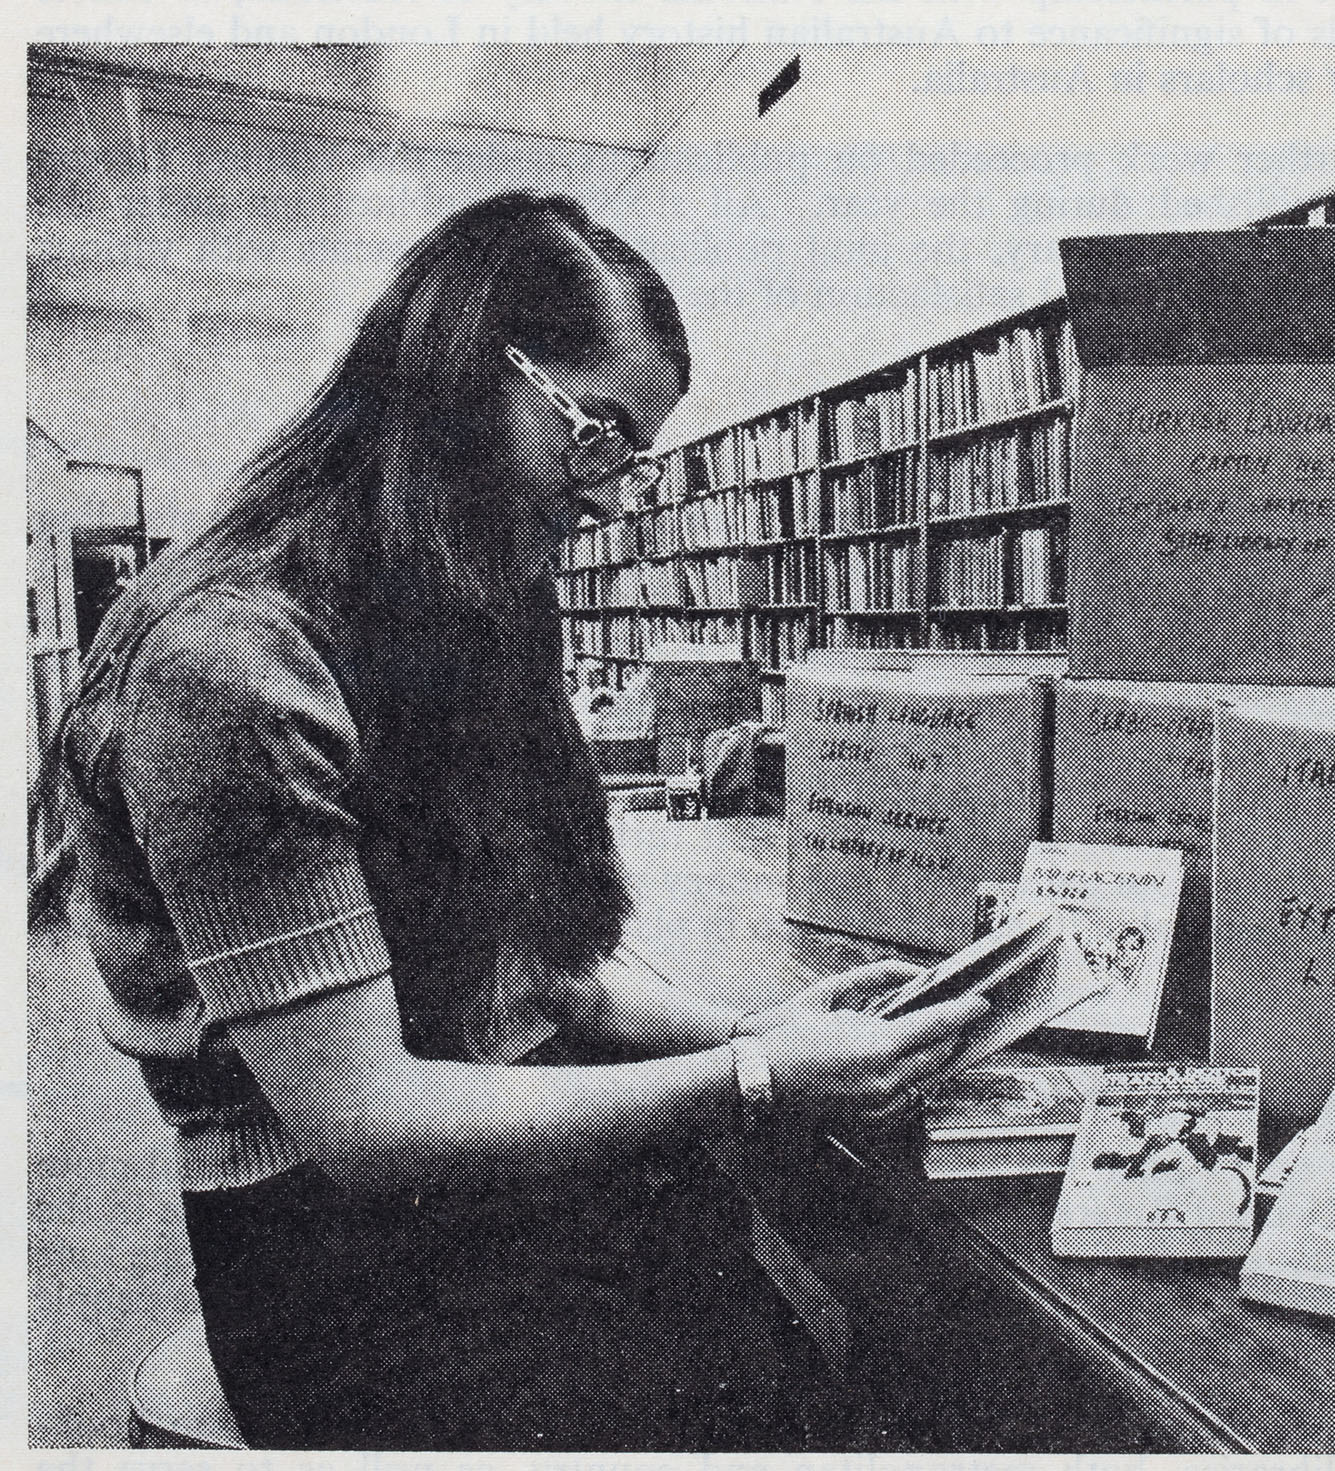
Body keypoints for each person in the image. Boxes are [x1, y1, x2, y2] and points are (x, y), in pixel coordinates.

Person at [44, 192, 988, 1451]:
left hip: (499, 1156)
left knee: (813, 1386)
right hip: (333, 1249)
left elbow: (540, 980)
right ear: (459, 370)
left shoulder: (470, 587)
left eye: (630, 457)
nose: (608, 500)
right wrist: (750, 1076)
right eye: (594, 434)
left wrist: (748, 1027)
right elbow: (366, 1122)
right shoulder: (229, 663)